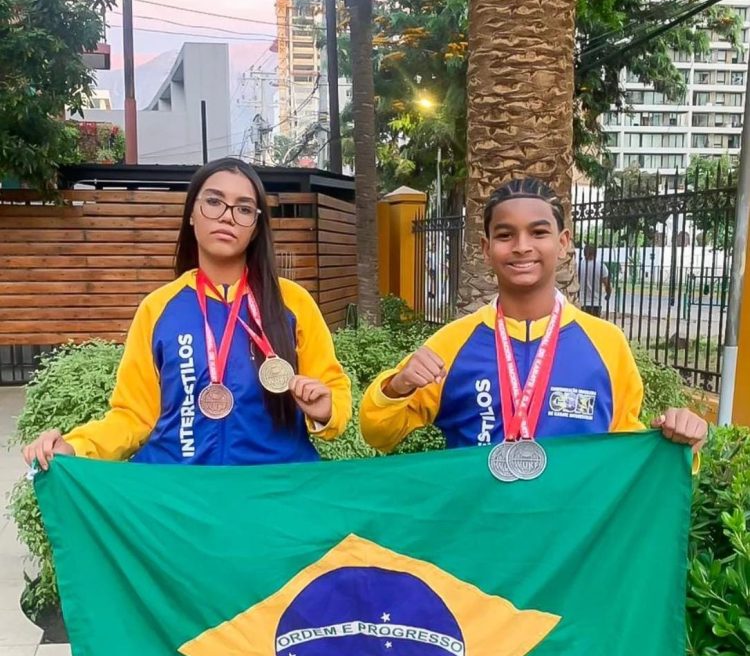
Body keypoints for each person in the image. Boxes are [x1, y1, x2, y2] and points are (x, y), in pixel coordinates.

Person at [23, 157, 352, 469]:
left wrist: (326, 411)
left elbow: (333, 390)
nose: (227, 216)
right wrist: (75, 446)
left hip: (275, 489)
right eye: (213, 202)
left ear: (255, 226)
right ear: (192, 213)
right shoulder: (159, 308)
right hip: (179, 495)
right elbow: (133, 416)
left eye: (244, 208)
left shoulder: (293, 303)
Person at [359, 176, 706, 456]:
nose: (522, 246)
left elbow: (626, 454)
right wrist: (397, 386)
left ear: (563, 242)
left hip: (571, 539)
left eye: (538, 232)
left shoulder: (606, 344)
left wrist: (680, 442)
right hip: (475, 536)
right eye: (505, 235)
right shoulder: (452, 343)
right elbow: (378, 435)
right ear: (486, 247)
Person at [578, 243, 611, 318]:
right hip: (595, 303)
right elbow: (607, 284)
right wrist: (608, 294)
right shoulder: (601, 266)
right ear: (595, 253)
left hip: (582, 302)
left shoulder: (578, 266)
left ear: (584, 253)